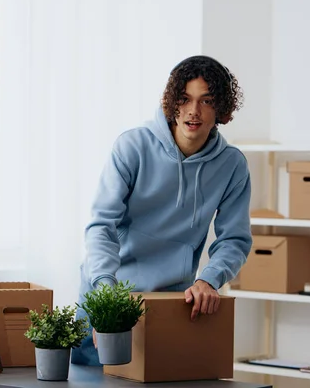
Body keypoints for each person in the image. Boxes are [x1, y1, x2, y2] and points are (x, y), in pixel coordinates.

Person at [71, 55, 252, 366]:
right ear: (172, 102)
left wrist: (209, 280)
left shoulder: (232, 165)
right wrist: (105, 290)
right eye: (185, 99)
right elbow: (102, 226)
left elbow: (234, 240)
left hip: (169, 305)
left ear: (221, 108)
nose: (193, 111)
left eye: (206, 101)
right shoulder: (132, 146)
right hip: (108, 296)